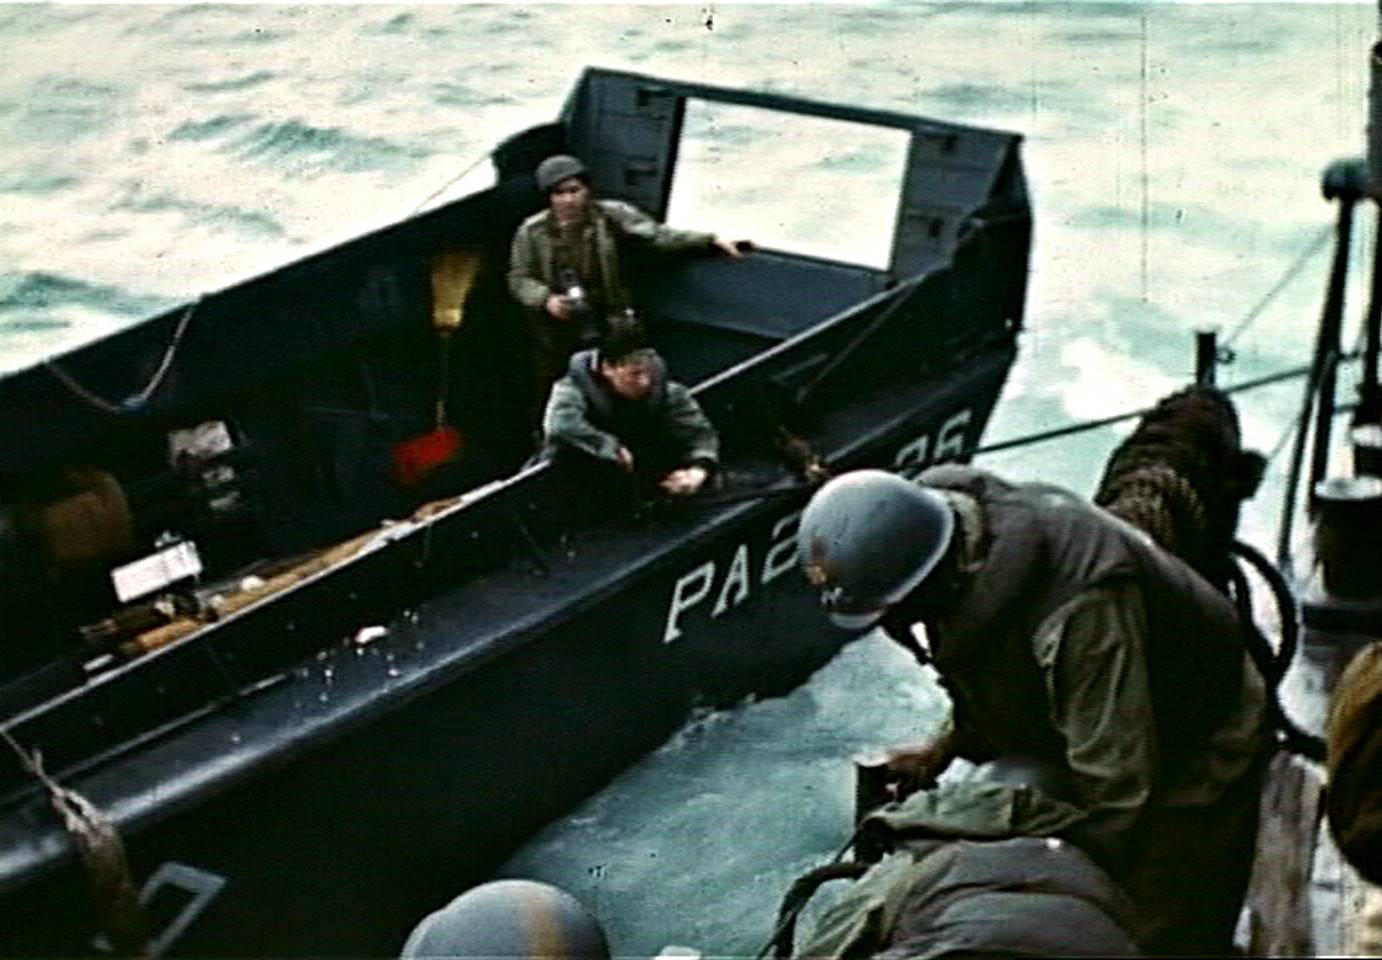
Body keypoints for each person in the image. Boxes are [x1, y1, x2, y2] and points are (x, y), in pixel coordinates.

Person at [795, 465, 1269, 957]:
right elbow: (989, 664)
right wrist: (941, 749)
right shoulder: (955, 541)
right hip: (1099, 708)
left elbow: (1119, 790)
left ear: (926, 580)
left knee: (1160, 918)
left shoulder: (1079, 612)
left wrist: (1078, 890)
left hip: (1199, 724)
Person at [508, 153, 748, 391]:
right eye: (560, 193)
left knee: (623, 380)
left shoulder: (611, 215)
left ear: (587, 190)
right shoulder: (531, 232)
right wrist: (546, 300)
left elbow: (658, 235)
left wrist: (709, 241)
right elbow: (519, 278)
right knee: (559, 385)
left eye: (575, 190)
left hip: (610, 319)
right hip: (559, 328)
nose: (569, 199)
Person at [539, 322, 718, 502]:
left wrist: (699, 470)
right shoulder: (571, 391)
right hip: (579, 486)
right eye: (635, 374)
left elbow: (698, 433)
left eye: (648, 372)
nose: (645, 382)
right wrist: (609, 447)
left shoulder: (665, 391)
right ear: (607, 369)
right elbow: (560, 425)